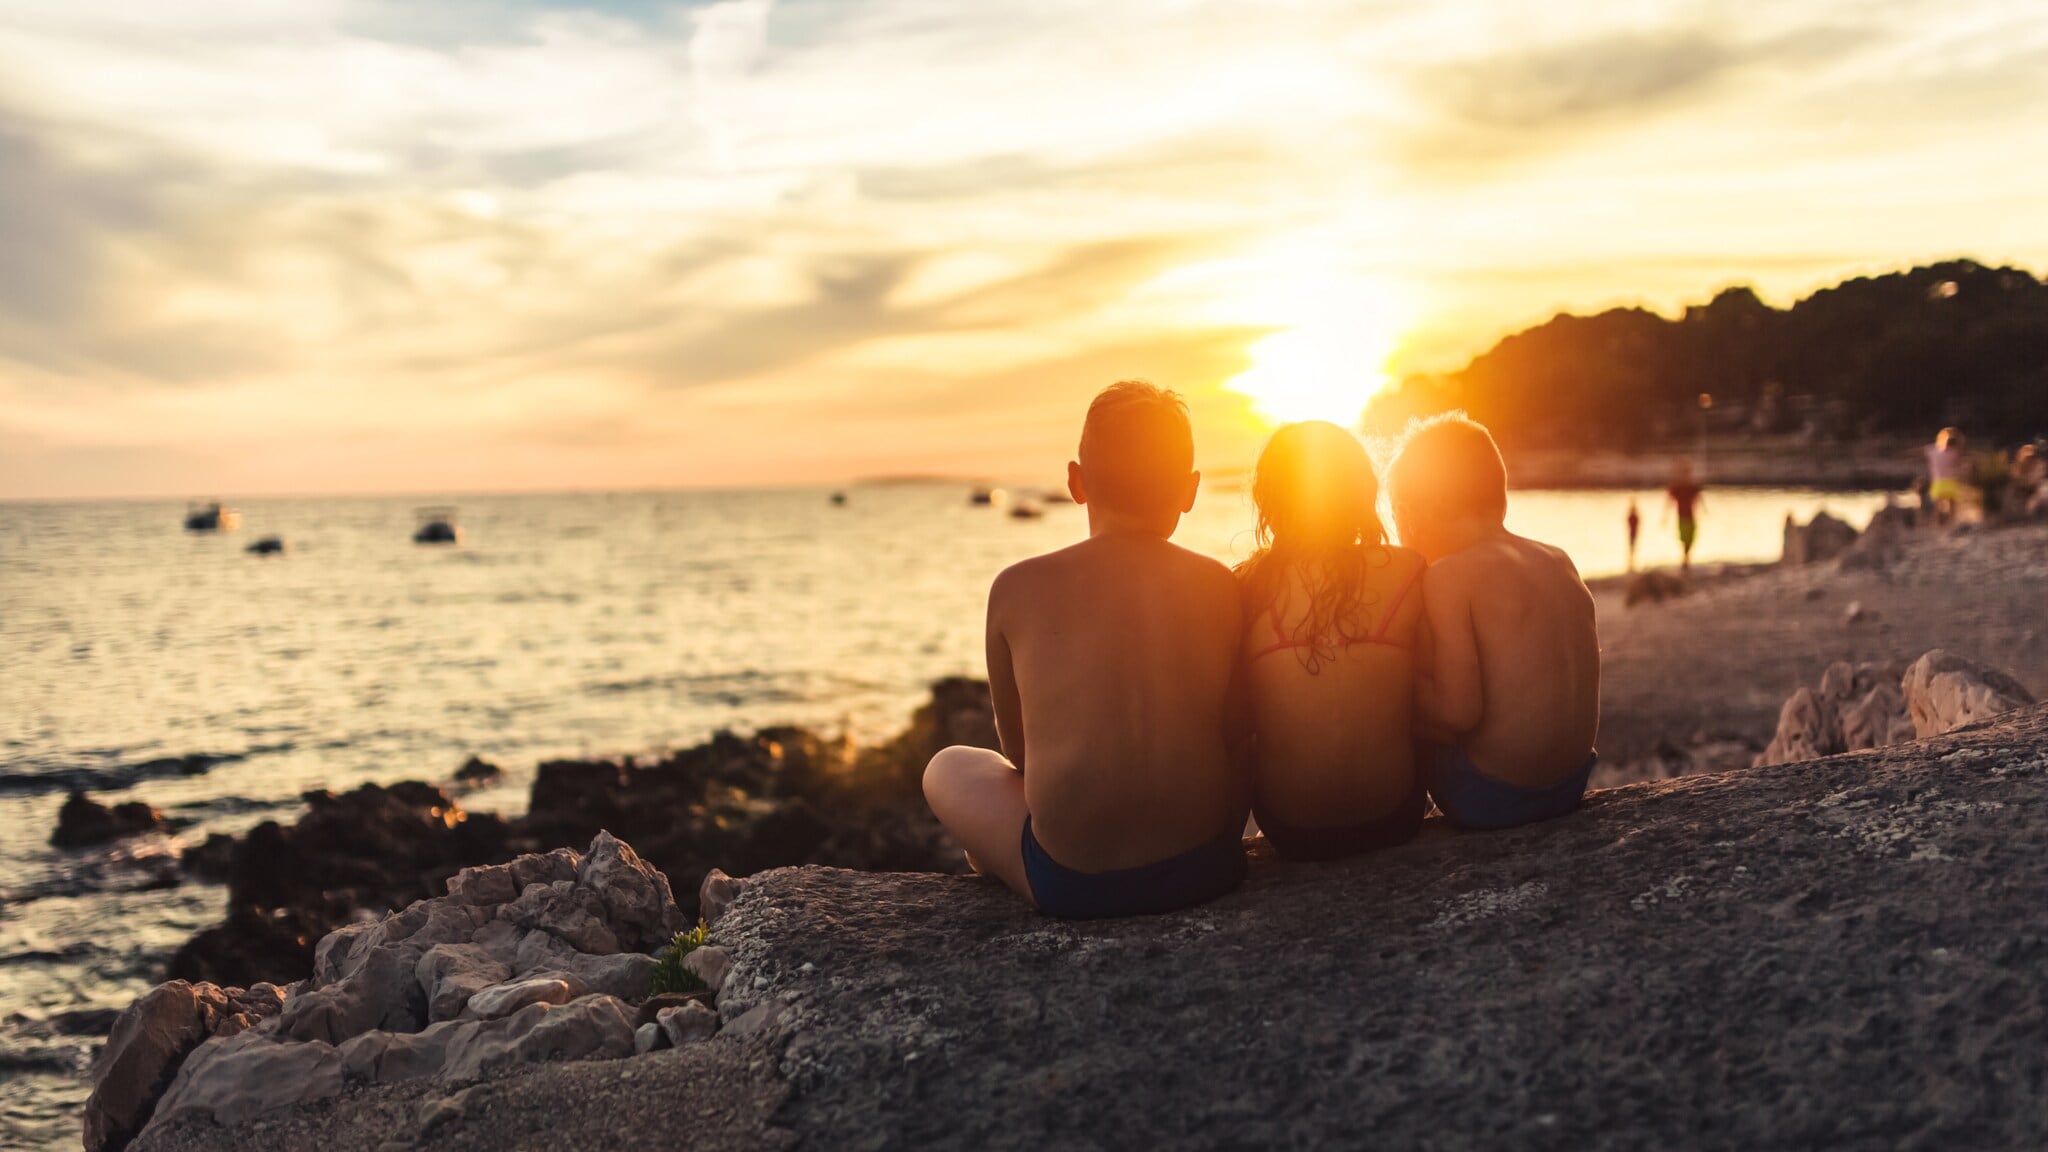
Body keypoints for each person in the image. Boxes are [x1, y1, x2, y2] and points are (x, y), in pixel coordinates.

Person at [922, 381, 1249, 918]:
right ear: (1189, 490)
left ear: (1076, 481)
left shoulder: (1016, 588)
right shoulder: (1222, 585)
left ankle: (998, 855)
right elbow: (1239, 734)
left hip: (1076, 884)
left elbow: (1024, 757)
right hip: (1206, 866)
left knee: (947, 766)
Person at [1387, 413, 1601, 830]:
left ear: (1410, 513)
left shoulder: (1448, 576)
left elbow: (1458, 712)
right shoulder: (1559, 560)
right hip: (1571, 783)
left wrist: (1396, 691)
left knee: (1396, 695)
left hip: (1495, 796)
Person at [1235, 422, 1428, 861]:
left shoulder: (1245, 587)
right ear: (1361, 491)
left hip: (1293, 829)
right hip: (1395, 817)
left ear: (1270, 501)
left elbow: (1234, 719)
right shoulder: (1408, 570)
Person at [1664, 461, 1705, 575]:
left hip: (1690, 517)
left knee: (1690, 539)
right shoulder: (1678, 487)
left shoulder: (1691, 486)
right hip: (1682, 517)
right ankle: (1685, 560)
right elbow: (1669, 501)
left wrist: (1705, 510)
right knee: (1684, 539)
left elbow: (1699, 498)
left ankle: (1686, 559)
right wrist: (1665, 517)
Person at [1925, 427, 1966, 524]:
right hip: (1950, 481)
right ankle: (1952, 523)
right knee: (1952, 506)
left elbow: (1923, 451)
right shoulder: (1954, 453)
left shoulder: (1932, 451)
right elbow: (1961, 445)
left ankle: (1937, 524)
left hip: (1938, 482)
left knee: (1937, 507)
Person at [1625, 499, 1641, 573]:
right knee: (1632, 547)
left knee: (1632, 547)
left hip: (1633, 533)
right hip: (1632, 533)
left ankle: (1631, 562)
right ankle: (1631, 562)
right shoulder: (1633, 515)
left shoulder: (1633, 515)